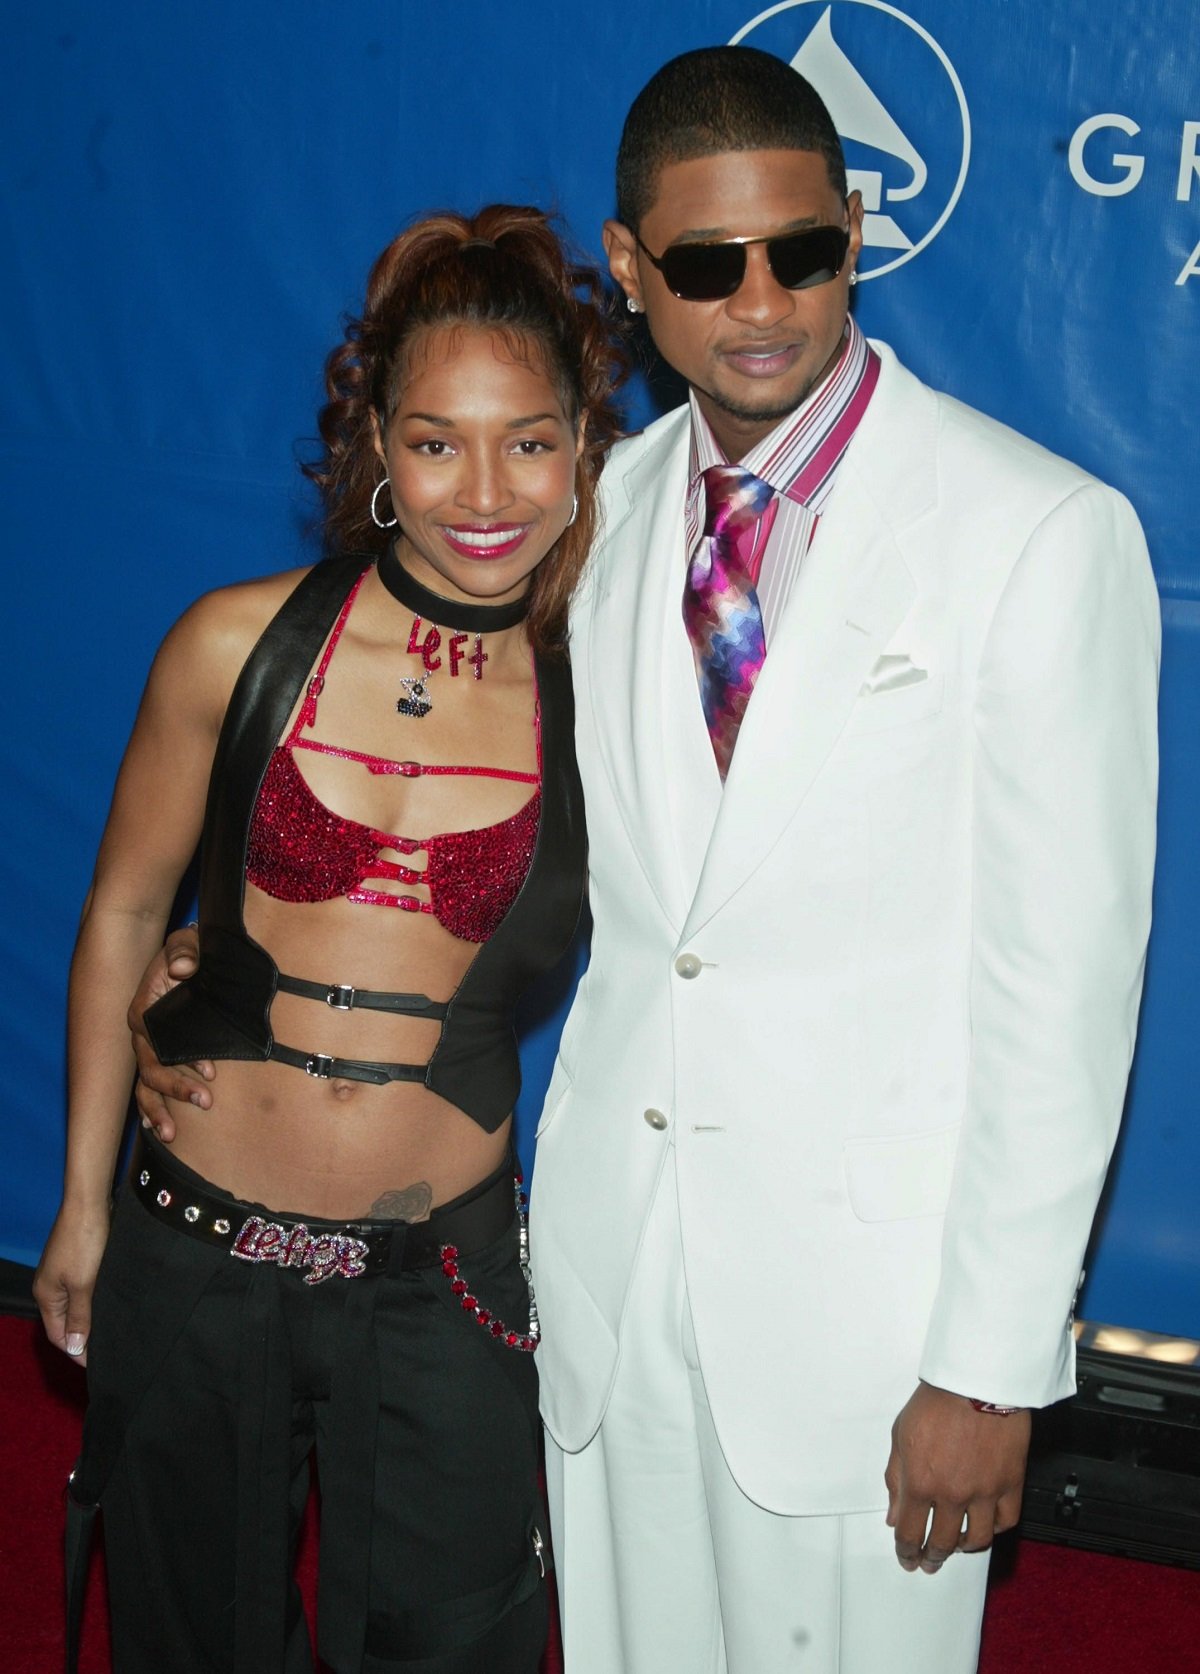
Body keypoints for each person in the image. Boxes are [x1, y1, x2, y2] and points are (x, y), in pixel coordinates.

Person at [130, 46, 1159, 1674]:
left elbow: (1068, 989)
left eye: (804, 252)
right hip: (606, 1287)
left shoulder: (1037, 532)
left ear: (856, 234)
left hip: (870, 1325)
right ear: (630, 270)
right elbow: (443, 780)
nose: (761, 302)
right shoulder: (583, 515)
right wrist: (216, 970)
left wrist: (990, 1359)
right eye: (704, 263)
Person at [33, 203, 625, 1674]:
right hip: (195, 1250)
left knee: (447, 1643)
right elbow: (122, 911)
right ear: (378, 447)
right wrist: (84, 1202)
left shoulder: (616, 705)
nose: (484, 490)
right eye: (436, 441)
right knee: (191, 1638)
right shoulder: (233, 644)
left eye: (529, 441)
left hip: (444, 1281)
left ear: (584, 453)